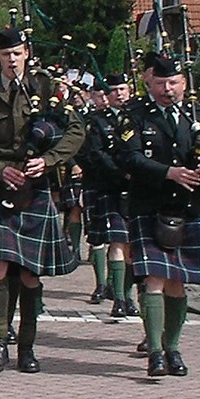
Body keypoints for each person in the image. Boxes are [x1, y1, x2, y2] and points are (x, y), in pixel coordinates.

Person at [0, 28, 84, 377]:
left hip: (36, 185)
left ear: (26, 52)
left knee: (30, 273)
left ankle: (26, 348)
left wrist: (49, 160)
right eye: (5, 54)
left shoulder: (47, 88)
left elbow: (76, 131)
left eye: (16, 53)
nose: (11, 59)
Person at [116, 56, 200, 376]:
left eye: (173, 83)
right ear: (150, 83)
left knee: (177, 283)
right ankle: (156, 352)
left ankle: (173, 348)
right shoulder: (135, 115)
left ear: (183, 84)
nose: (167, 89)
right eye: (160, 83)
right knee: (154, 279)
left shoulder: (199, 116)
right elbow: (127, 157)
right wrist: (168, 172)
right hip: (149, 207)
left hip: (187, 210)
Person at [81, 73, 138, 317]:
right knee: (116, 241)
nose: (119, 93)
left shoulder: (138, 118)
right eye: (113, 90)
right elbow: (97, 153)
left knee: (130, 247)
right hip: (110, 187)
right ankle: (117, 298)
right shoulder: (98, 121)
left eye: (123, 88)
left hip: (137, 191)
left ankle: (127, 296)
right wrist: (122, 173)